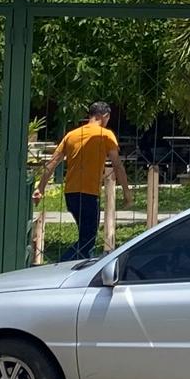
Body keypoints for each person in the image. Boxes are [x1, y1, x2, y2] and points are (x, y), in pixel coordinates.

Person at [42, 100, 122, 263]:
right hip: (89, 193)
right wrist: (127, 192)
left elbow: (52, 163)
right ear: (104, 116)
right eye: (107, 119)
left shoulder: (71, 135)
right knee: (87, 241)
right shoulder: (106, 135)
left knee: (85, 237)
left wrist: (40, 188)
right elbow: (117, 165)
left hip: (71, 193)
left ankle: (80, 267)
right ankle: (62, 266)